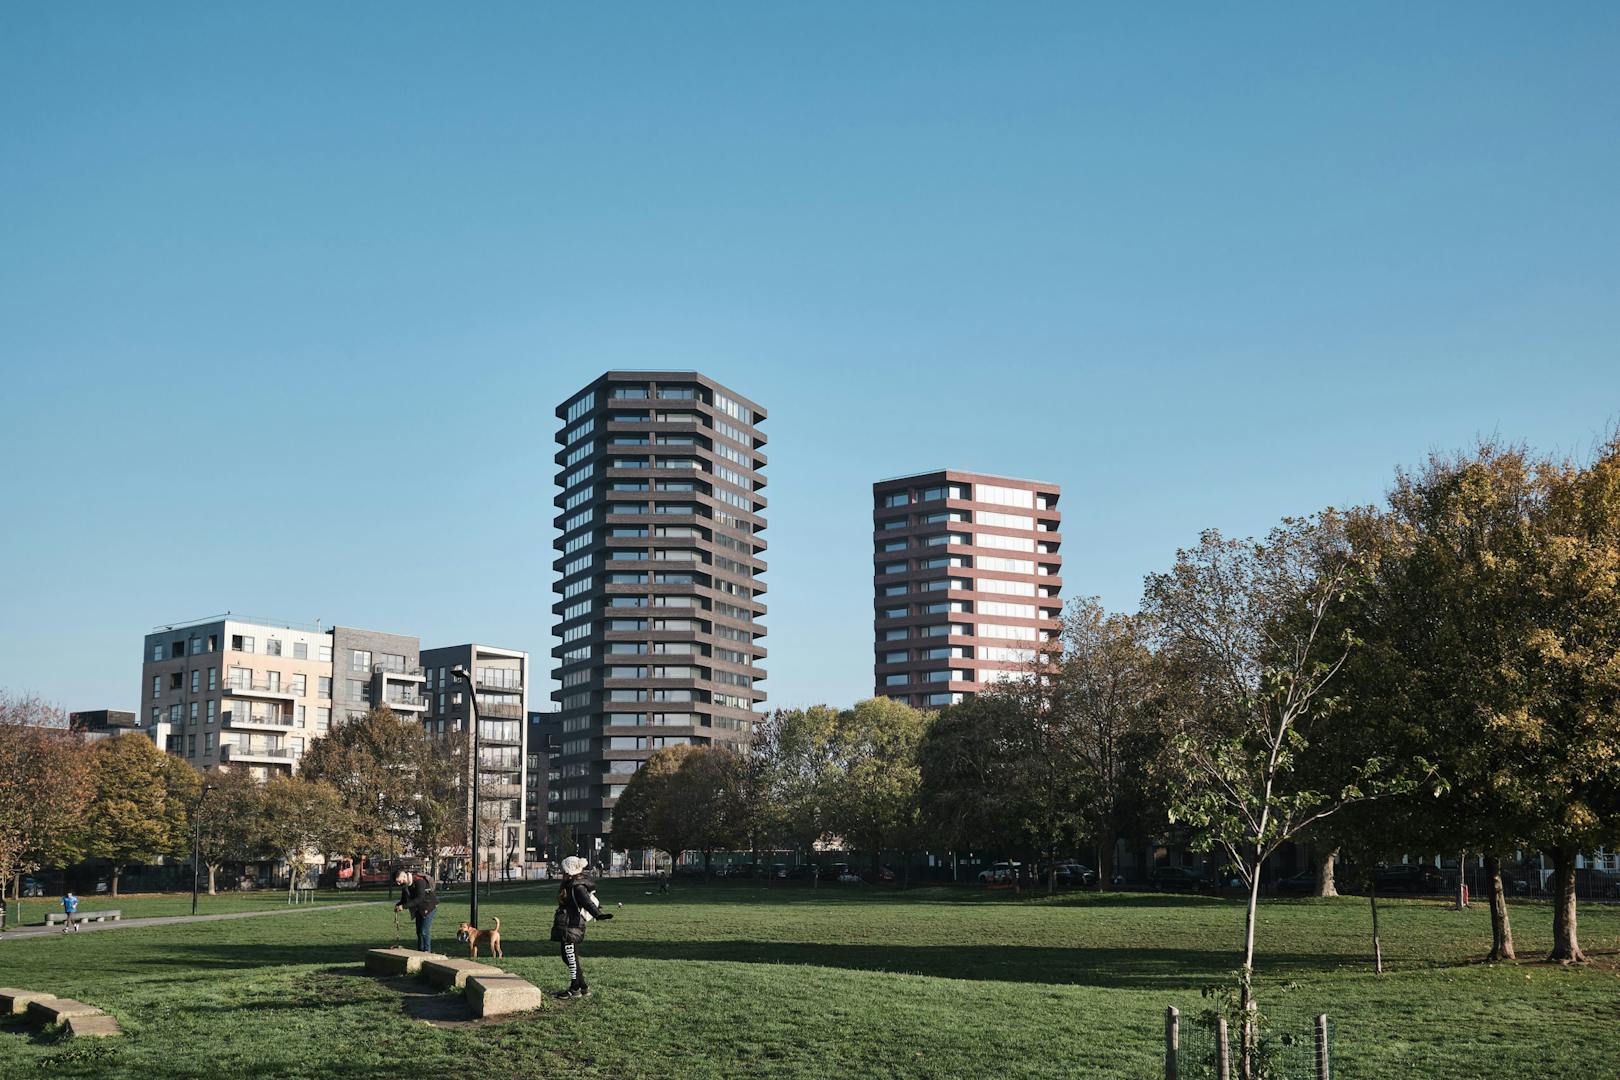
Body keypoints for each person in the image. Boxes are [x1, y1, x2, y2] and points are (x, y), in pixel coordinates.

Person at [550, 855, 612, 998]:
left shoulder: (577, 886)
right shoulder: (571, 883)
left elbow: (587, 903)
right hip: (568, 924)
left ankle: (575, 988)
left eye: (564, 870)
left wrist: (598, 915)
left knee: (570, 958)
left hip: (572, 925)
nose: (562, 872)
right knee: (569, 957)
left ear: (570, 870)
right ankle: (583, 987)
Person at [393, 869, 438, 952]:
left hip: (428, 907)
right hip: (419, 909)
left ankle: (427, 952)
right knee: (419, 932)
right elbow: (404, 900)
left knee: (424, 931)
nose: (398, 884)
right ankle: (420, 952)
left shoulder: (419, 881)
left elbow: (419, 898)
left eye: (399, 881)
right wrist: (399, 905)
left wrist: (404, 906)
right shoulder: (405, 886)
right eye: (397, 882)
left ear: (404, 876)